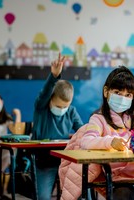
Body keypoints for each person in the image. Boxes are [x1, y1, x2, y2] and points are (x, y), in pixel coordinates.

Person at [58, 19, 134, 200]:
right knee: (127, 194)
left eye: (128, 95)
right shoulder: (99, 119)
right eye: (117, 92)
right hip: (120, 180)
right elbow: (87, 141)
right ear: (106, 91)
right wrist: (110, 143)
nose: (123, 98)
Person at [31, 55, 84, 200]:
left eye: (65, 106)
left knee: (76, 193)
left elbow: (82, 130)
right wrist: (54, 76)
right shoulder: (41, 107)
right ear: (50, 99)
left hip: (65, 161)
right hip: (43, 162)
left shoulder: (71, 111)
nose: (62, 109)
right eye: (58, 105)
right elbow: (44, 93)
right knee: (42, 197)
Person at [0, 91, 21, 197]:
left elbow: (16, 132)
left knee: (12, 150)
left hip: (2, 151)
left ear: (2, 102)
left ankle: (1, 187)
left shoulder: (6, 118)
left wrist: (18, 114)